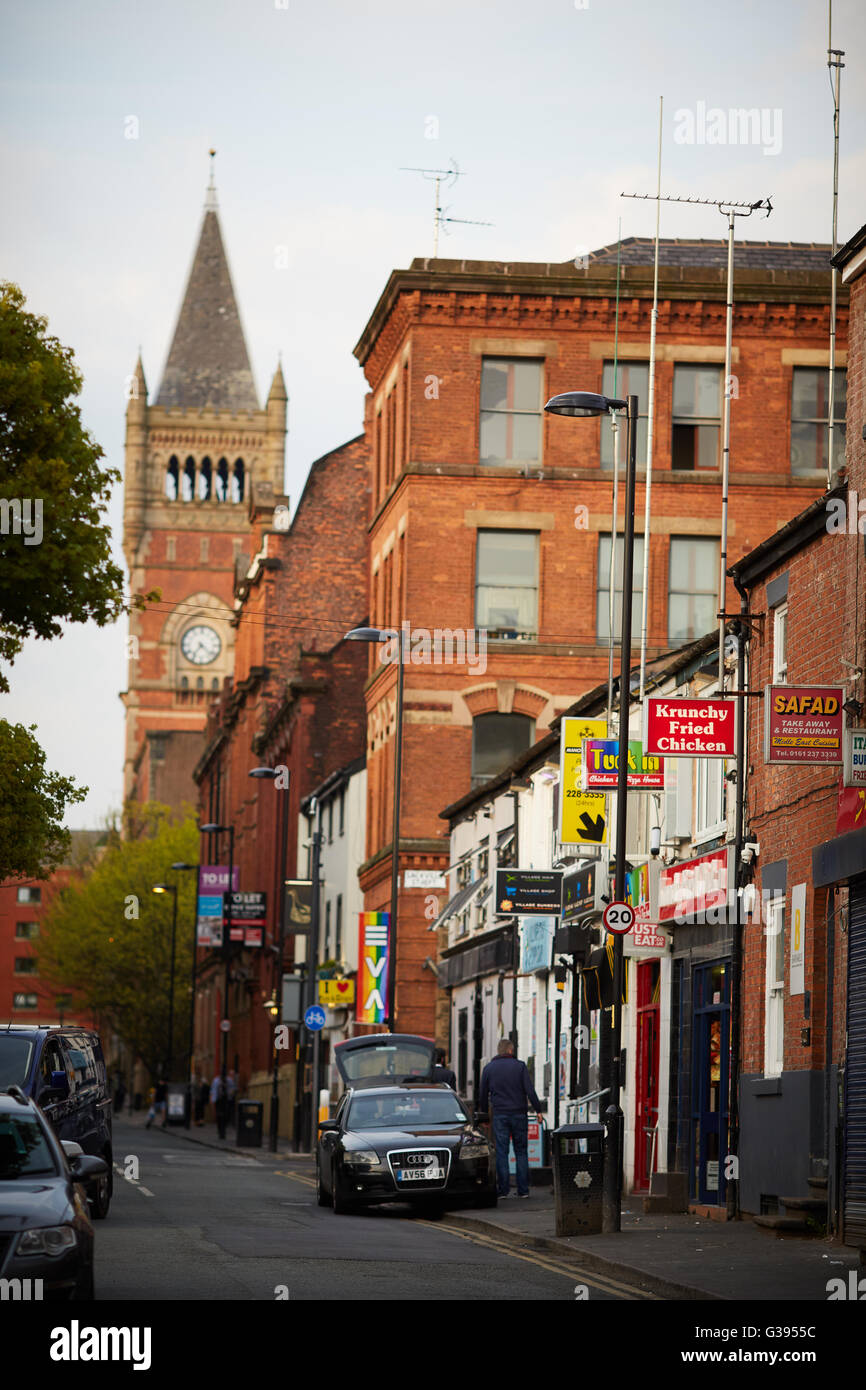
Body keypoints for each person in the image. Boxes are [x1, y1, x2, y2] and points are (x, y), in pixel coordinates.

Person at [478, 1039, 543, 1199]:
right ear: (511, 1051)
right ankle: (523, 1190)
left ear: (499, 1051)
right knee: (521, 1151)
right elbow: (530, 1090)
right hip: (520, 1114)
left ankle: (503, 1190)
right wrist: (538, 1110)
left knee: (502, 1152)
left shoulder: (488, 1069)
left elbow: (482, 1094)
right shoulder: (520, 1067)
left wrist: (485, 1115)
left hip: (500, 1114)